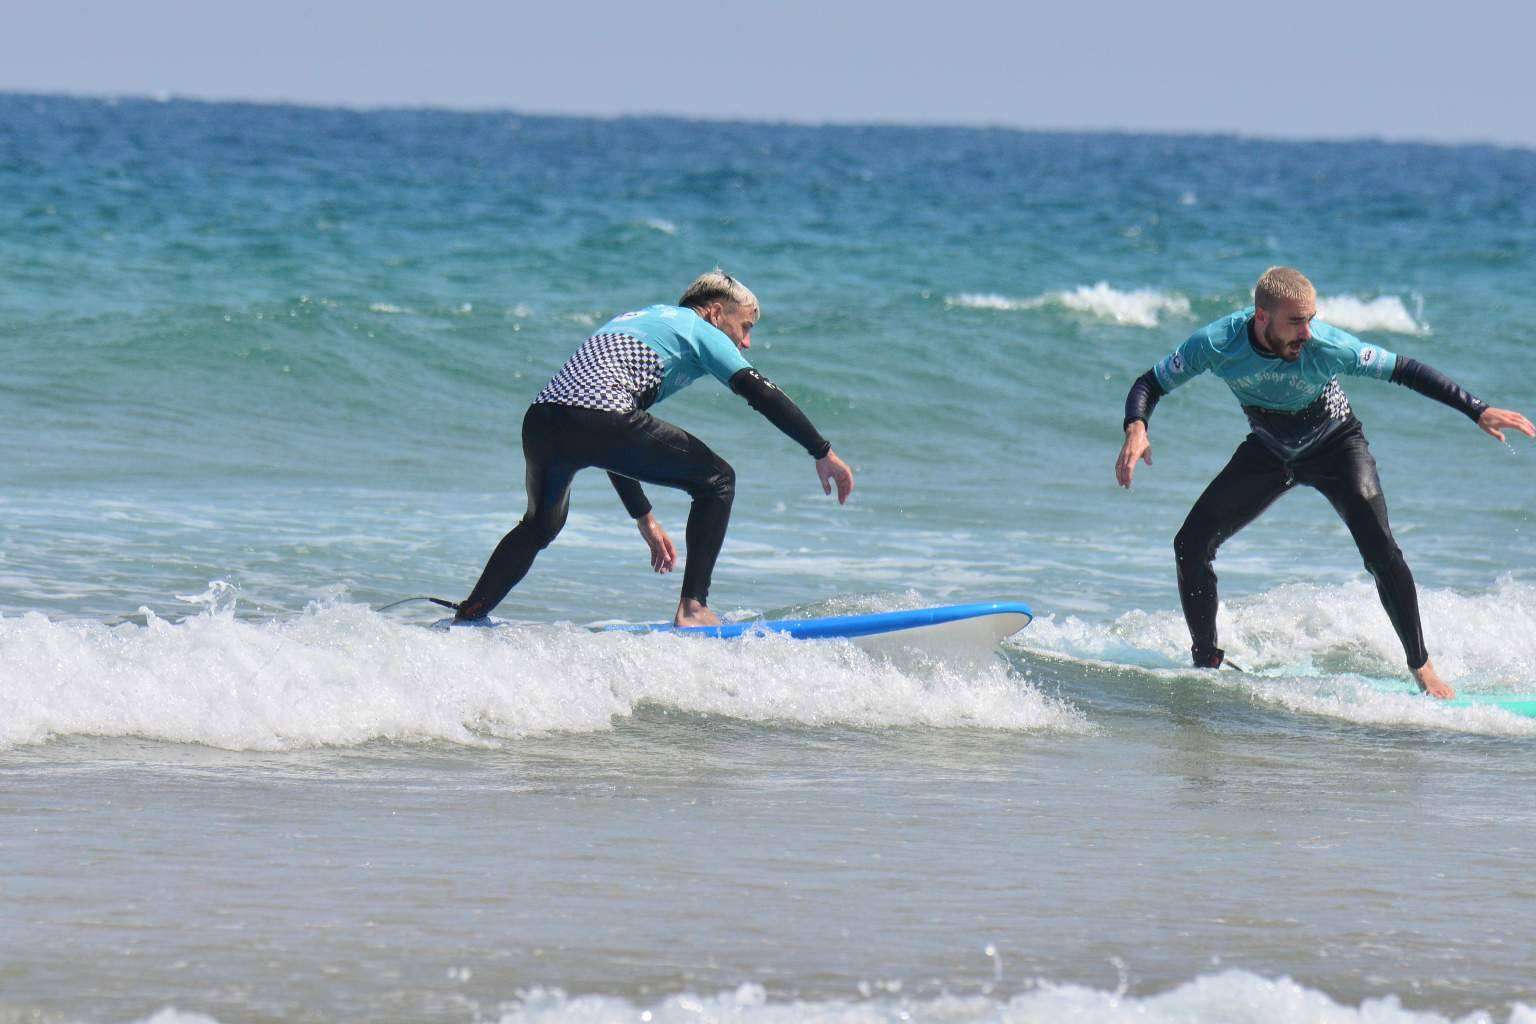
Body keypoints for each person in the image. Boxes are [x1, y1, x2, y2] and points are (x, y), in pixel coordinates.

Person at [1115, 266, 1533, 698]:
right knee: (1190, 544)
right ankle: (1206, 661)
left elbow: (1406, 370)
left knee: (1382, 553)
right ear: (1262, 317)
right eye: (1296, 321)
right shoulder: (1217, 343)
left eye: (1311, 319)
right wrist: (1136, 426)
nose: (1307, 332)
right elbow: (1151, 382)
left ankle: (1422, 666)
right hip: (1270, 450)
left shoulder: (1329, 346)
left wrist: (1476, 409)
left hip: (1337, 446)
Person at [453, 269, 853, 627]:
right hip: (600, 417)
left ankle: (471, 612)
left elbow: (603, 434)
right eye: (745, 327)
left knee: (539, 526)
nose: (746, 342)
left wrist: (644, 518)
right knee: (717, 480)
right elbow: (758, 391)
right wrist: (821, 451)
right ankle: (694, 609)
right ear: (716, 312)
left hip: (542, 418)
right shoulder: (698, 328)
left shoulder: (644, 318)